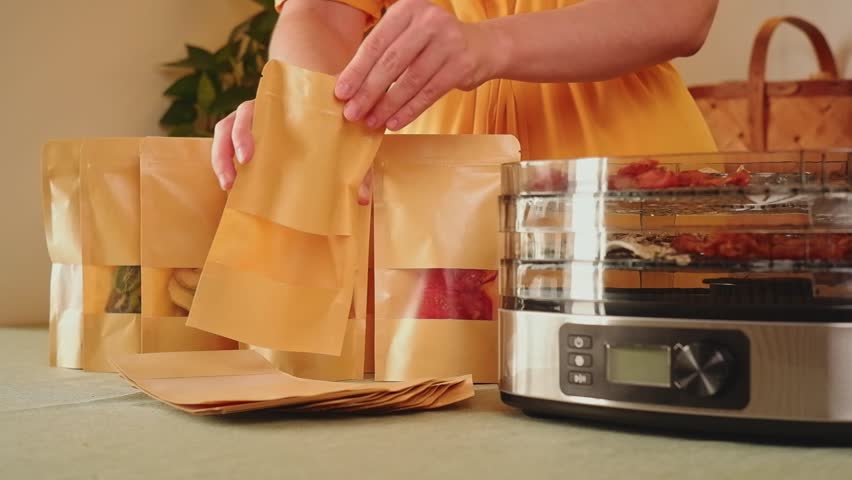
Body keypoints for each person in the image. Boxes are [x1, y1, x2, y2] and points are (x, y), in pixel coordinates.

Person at [211, 0, 720, 202]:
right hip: (429, 209)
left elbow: (680, 13)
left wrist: (490, 44)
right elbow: (320, 15)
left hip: (627, 193)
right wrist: (306, 110)